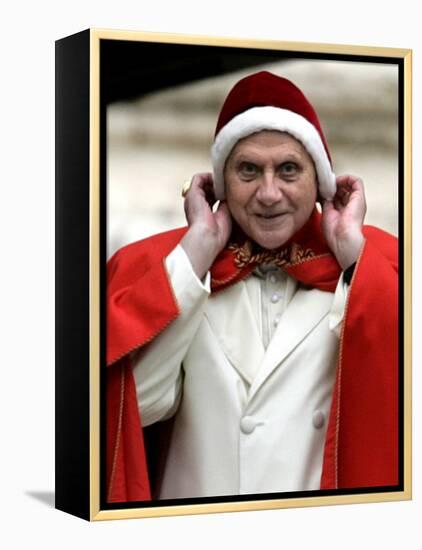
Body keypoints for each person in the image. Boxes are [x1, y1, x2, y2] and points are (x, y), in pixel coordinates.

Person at [106, 71, 398, 503]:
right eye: (248, 170)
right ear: (221, 183)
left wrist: (354, 255)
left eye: (288, 170)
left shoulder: (379, 273)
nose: (268, 193)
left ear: (320, 181)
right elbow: (135, 409)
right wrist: (197, 254)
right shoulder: (181, 274)